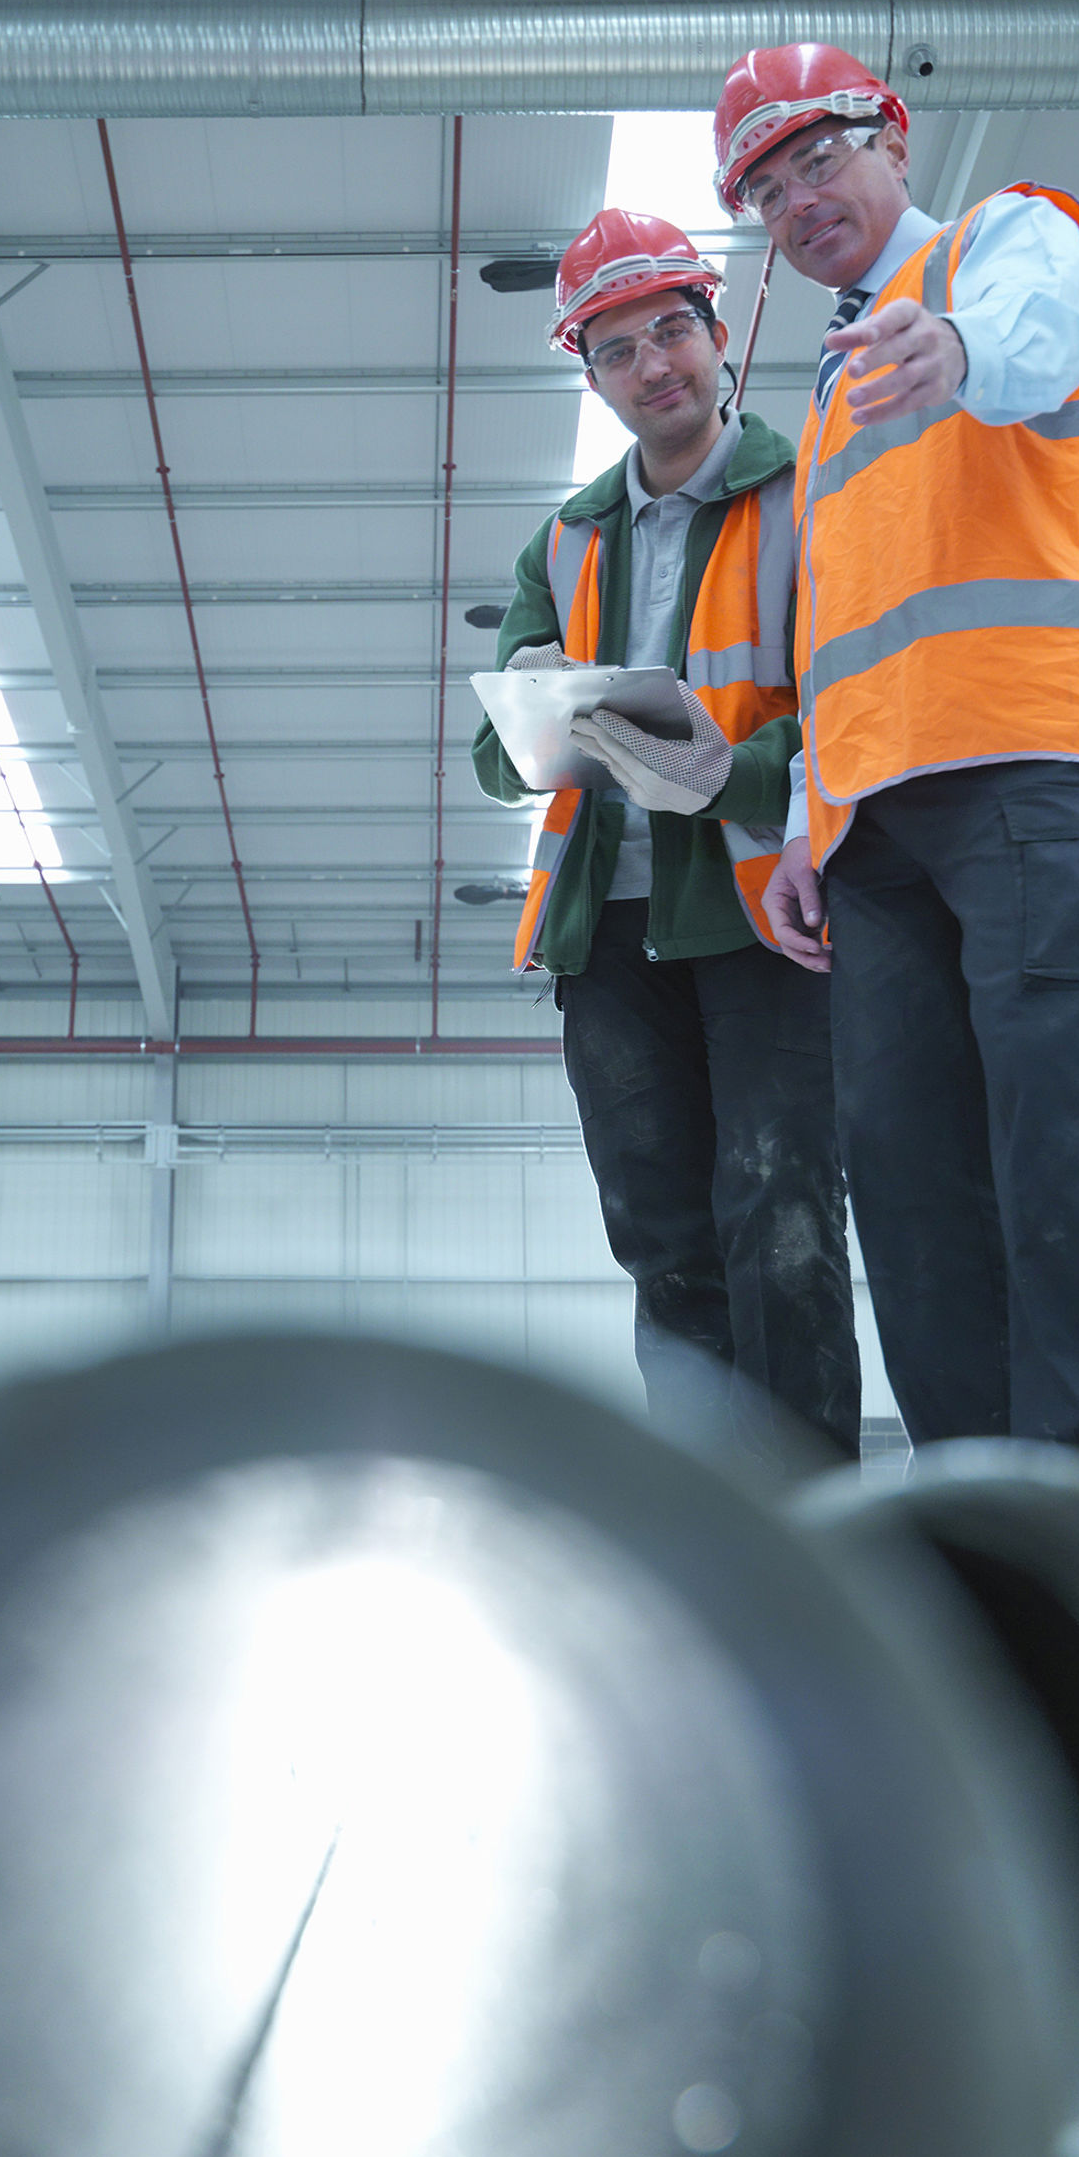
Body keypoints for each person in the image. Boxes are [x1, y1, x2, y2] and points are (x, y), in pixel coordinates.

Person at [704, 43, 1079, 1491]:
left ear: (895, 142)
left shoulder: (1002, 247)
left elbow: (1042, 329)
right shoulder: (825, 411)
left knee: (1061, 1136)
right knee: (909, 1178)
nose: (799, 202)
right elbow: (842, 633)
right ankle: (983, 1513)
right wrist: (804, 819)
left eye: (818, 161)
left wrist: (962, 352)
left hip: (1030, 766)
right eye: (767, 190)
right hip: (876, 831)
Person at [467, 208, 861, 1463]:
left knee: (782, 1223)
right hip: (613, 940)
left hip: (764, 924)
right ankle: (709, 1520)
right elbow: (494, 759)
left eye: (673, 331)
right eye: (620, 348)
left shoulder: (812, 498)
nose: (655, 366)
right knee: (660, 1237)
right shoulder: (567, 539)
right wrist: (543, 711)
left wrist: (723, 773)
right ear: (590, 375)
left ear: (719, 333)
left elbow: (858, 717)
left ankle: (814, 1525)